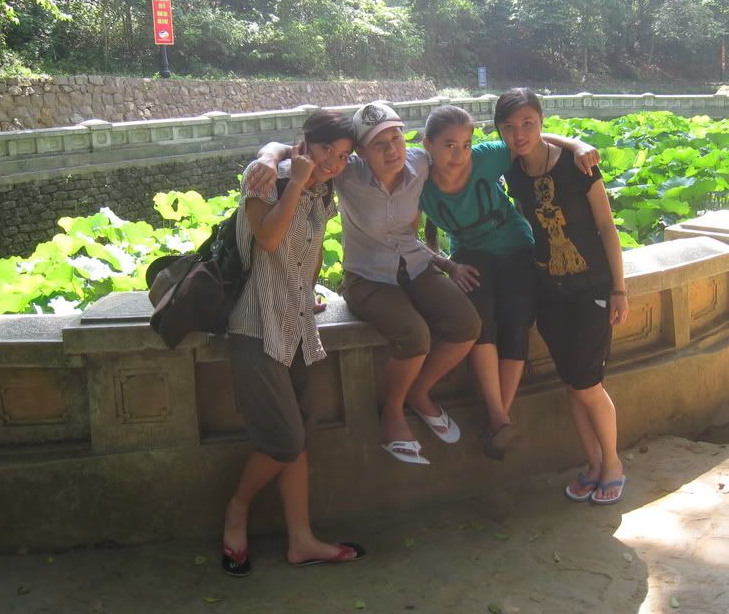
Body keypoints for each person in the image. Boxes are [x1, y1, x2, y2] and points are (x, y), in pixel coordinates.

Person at [246, 101, 481, 466]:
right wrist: (267, 157)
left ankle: (419, 392)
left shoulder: (419, 162)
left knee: (467, 325)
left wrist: (447, 263)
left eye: (396, 138)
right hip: (367, 276)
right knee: (414, 335)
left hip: (415, 264)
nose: (392, 150)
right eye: (379, 144)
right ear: (361, 152)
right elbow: (291, 150)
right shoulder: (346, 172)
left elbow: (469, 149)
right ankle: (392, 411)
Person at [222, 110, 367, 577]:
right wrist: (294, 176)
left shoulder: (323, 191)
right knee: (283, 440)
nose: (333, 163)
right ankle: (237, 509)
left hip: (299, 324)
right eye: (327, 149)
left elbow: (313, 250)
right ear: (306, 141)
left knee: (301, 436)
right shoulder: (265, 177)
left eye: (342, 156)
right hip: (257, 325)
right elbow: (267, 239)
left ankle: (301, 540)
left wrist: (305, 292)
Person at [418, 105, 600, 460]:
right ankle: (500, 418)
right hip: (469, 257)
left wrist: (576, 144)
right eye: (449, 145)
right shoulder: (418, 181)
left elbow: (530, 138)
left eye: (466, 145)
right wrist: (447, 265)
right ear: (428, 144)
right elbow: (407, 236)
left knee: (517, 321)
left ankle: (498, 420)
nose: (459, 154)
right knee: (481, 322)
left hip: (517, 246)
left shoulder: (486, 158)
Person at [495, 88, 630, 505]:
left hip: (591, 288)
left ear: (542, 121)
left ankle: (613, 464)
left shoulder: (578, 165)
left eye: (528, 123)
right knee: (573, 383)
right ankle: (593, 464)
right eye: (509, 127)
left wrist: (619, 288)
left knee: (588, 384)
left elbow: (607, 226)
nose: (519, 134)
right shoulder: (512, 170)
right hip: (548, 292)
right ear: (499, 131)